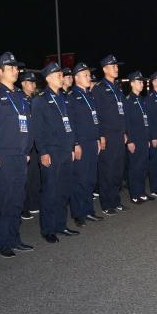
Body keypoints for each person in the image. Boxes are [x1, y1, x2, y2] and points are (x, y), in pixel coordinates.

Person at [0, 52, 35, 258]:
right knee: (3, 200)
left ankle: (14, 238)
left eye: (16, 67)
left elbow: (28, 124)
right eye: (10, 67)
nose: (15, 70)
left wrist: (27, 150)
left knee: (17, 200)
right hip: (2, 157)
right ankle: (1, 241)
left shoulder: (20, 96)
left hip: (20, 156)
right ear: (0, 71)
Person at [31, 62, 79, 243]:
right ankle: (48, 229)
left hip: (66, 150)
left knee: (63, 190)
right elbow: (37, 129)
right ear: (49, 78)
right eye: (58, 75)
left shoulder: (63, 98)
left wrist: (72, 146)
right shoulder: (40, 100)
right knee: (50, 191)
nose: (62, 77)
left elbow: (70, 124)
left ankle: (61, 225)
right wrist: (43, 152)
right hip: (51, 152)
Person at [93, 55, 131, 215]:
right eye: (113, 66)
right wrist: (100, 135)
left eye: (116, 66)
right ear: (105, 69)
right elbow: (96, 114)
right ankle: (107, 204)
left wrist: (125, 132)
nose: (116, 68)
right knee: (107, 170)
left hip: (119, 135)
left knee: (117, 170)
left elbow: (122, 113)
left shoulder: (117, 88)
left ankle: (116, 201)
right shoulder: (99, 88)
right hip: (107, 136)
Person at [68, 62, 104, 227]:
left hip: (92, 142)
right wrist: (75, 144)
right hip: (80, 143)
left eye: (89, 75)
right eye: (86, 75)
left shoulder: (90, 95)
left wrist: (98, 138)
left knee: (90, 179)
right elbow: (71, 123)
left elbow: (95, 121)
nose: (89, 78)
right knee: (80, 179)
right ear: (76, 78)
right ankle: (78, 213)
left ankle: (89, 210)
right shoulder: (72, 97)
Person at [124, 71, 153, 204]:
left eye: (142, 82)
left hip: (143, 139)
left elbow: (145, 121)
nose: (142, 84)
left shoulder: (141, 99)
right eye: (139, 82)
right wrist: (130, 140)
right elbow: (127, 122)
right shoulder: (128, 100)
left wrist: (148, 138)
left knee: (143, 167)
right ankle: (134, 194)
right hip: (134, 140)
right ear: (132, 83)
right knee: (135, 168)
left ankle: (141, 192)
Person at [19, 71, 41, 220]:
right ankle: (23, 207)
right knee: (24, 178)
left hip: (36, 143)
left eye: (34, 82)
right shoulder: (18, 99)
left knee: (35, 176)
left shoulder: (35, 100)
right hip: (24, 143)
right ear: (23, 84)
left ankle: (33, 203)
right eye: (30, 82)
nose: (33, 85)